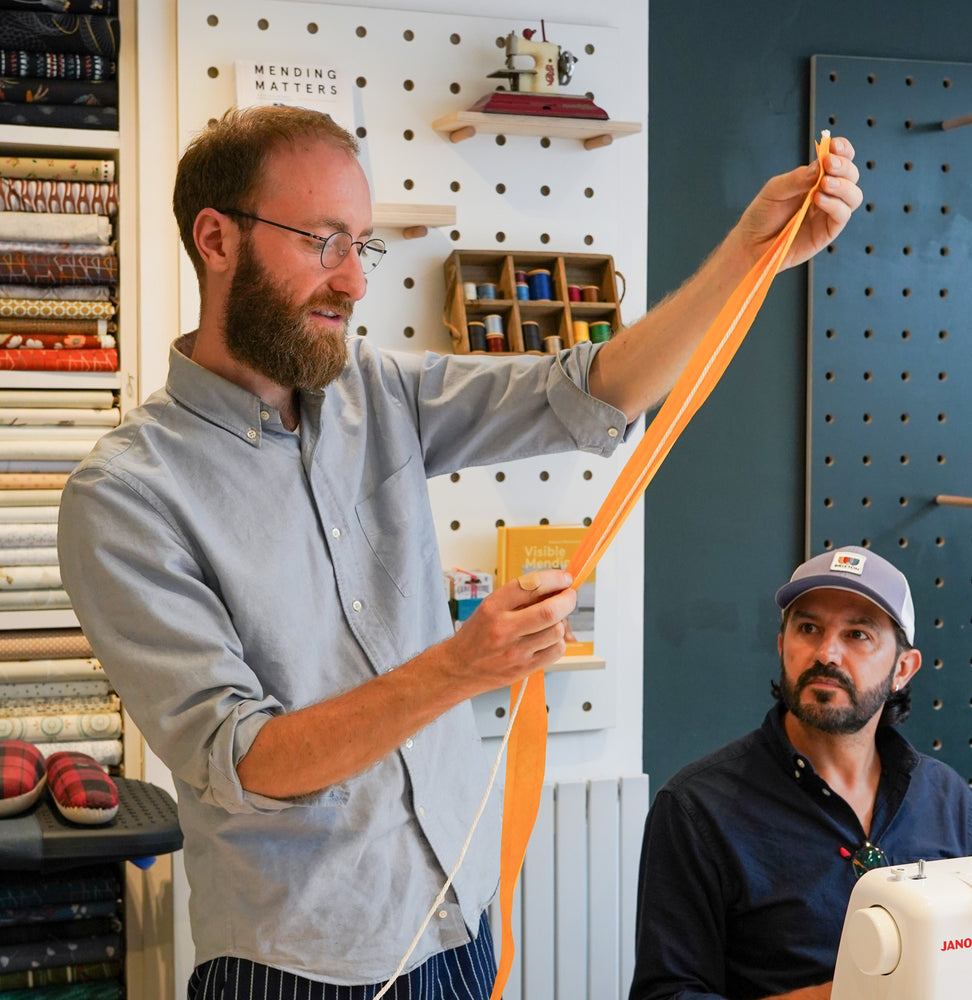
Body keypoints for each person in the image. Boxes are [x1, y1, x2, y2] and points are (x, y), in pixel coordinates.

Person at [56, 104, 861, 999]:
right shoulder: (127, 497)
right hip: (301, 969)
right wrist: (459, 668)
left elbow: (592, 391)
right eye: (323, 242)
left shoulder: (375, 391)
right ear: (215, 237)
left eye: (362, 246)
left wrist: (752, 253)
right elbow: (244, 762)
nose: (354, 283)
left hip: (459, 926)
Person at [629, 546, 972, 1000]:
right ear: (783, 646)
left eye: (858, 634)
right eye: (808, 628)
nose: (827, 653)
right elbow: (666, 995)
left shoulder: (949, 800)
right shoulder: (696, 808)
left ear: (903, 669)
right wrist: (850, 994)